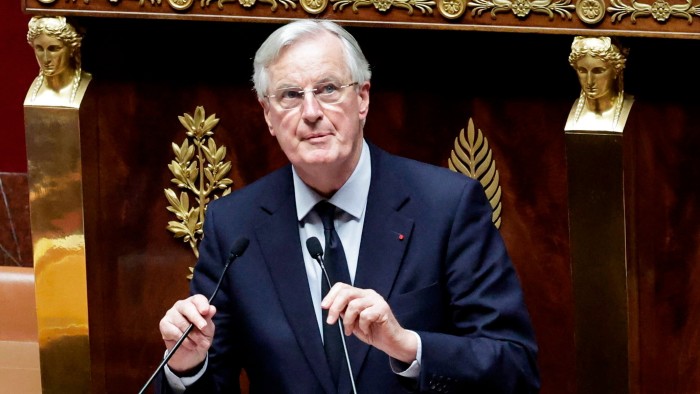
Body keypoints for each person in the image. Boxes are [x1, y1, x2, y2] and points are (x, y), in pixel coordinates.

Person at [155, 19, 540, 393]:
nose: (310, 112)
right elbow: (214, 378)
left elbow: (515, 367)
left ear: (363, 98)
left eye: (327, 89)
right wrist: (186, 367)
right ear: (268, 116)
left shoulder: (447, 206)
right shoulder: (233, 225)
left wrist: (408, 347)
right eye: (290, 95)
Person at [565, 35, 634, 133]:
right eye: (582, 70)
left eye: (598, 71)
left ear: (616, 70)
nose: (589, 81)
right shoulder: (567, 111)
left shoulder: (636, 112)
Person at [25, 15, 91, 107]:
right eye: (39, 48)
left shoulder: (87, 84)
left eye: (53, 49)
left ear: (72, 49)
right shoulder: (34, 92)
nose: (46, 59)